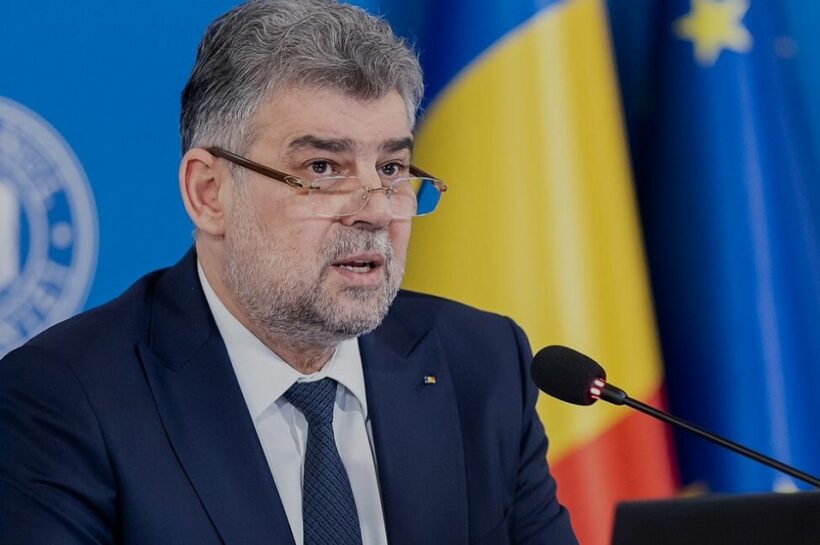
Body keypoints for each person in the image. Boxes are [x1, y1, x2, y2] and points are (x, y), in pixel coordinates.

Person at [0, 1, 577, 543]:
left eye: (391, 168)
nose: (376, 210)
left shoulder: (482, 365)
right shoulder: (66, 400)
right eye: (323, 168)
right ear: (209, 193)